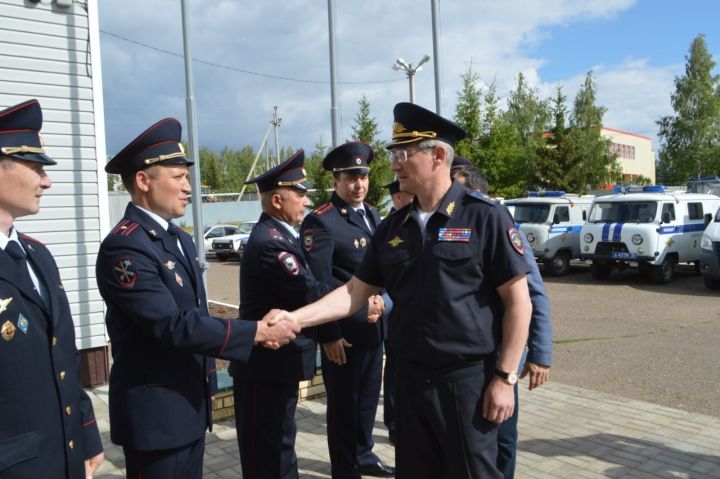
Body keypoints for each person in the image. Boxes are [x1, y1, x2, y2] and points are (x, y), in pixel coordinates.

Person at [263, 102, 533, 479]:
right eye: (393, 154)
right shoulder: (393, 227)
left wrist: (505, 378)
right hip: (408, 382)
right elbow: (354, 291)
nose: (393, 165)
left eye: (403, 154)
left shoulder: (484, 217)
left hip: (466, 383)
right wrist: (296, 317)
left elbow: (519, 301)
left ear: (438, 155)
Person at [96, 118, 299, 479]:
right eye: (178, 177)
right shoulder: (125, 246)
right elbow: (172, 325)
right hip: (156, 418)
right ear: (143, 181)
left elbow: (195, 313)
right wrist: (255, 331)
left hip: (188, 408)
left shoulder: (178, 238)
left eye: (187, 178)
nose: (188, 188)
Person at [232, 150, 382, 479]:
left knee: (280, 444)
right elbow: (311, 290)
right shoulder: (272, 244)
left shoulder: (282, 236)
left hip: (279, 362)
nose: (305, 200)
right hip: (266, 365)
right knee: (270, 452)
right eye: (299, 193)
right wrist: (363, 296)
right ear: (276, 200)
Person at [0, 99, 104, 478]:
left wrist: (88, 436)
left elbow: (61, 357)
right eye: (35, 167)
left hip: (61, 454)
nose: (47, 180)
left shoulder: (38, 256)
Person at [299, 142, 395, 478]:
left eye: (363, 177)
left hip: (374, 330)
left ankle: (363, 453)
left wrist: (385, 302)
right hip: (343, 335)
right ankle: (345, 467)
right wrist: (328, 335)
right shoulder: (321, 222)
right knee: (343, 406)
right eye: (351, 178)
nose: (359, 185)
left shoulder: (371, 215)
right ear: (336, 180)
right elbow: (315, 285)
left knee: (368, 400)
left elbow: (382, 273)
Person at [458, 167, 554, 478]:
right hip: (467, 358)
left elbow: (533, 295)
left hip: (503, 354)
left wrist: (540, 354)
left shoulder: (499, 225)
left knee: (502, 437)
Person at [379, 179, 413, 447]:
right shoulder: (388, 227)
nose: (407, 200)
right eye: (402, 196)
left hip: (416, 315)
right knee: (394, 371)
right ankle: (393, 422)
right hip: (391, 314)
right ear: (395, 199)